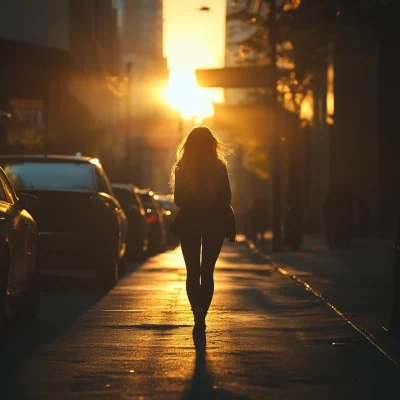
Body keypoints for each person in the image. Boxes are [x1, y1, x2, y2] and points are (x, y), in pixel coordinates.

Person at [169, 127, 236, 334]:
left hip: (189, 223)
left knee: (192, 271)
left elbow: (178, 199)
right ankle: (202, 315)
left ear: (188, 146)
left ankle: (196, 310)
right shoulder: (219, 167)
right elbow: (226, 199)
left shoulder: (182, 167)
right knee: (207, 272)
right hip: (214, 223)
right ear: (212, 144)